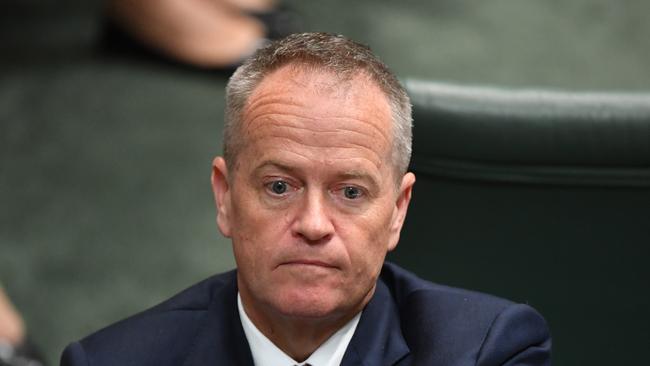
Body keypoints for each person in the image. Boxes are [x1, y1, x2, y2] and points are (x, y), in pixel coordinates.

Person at [60, 32, 551, 365]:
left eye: (350, 192)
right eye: (279, 187)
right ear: (226, 196)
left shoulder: (485, 352)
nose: (313, 224)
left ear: (397, 211)